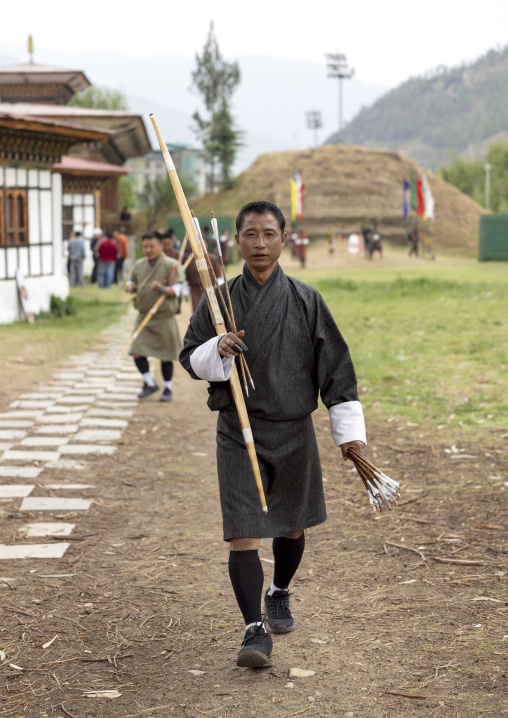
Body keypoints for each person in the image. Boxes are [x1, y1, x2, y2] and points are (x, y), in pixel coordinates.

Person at [180, 200, 367, 669]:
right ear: (236, 241)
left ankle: (278, 590)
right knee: (243, 532)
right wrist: (216, 349)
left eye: (268, 234)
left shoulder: (306, 300)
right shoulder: (218, 300)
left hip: (293, 430)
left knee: (291, 524)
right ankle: (252, 628)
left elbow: (336, 370)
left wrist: (349, 434)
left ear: (284, 238)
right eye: (250, 234)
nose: (259, 243)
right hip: (238, 431)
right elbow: (189, 356)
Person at [125, 231, 185, 402]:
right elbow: (132, 281)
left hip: (164, 317)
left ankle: (167, 388)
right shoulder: (139, 265)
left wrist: (162, 289)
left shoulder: (171, 265)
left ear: (161, 245)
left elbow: (177, 290)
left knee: (166, 356)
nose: (148, 250)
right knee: (136, 351)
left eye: (152, 246)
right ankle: (149, 382)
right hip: (144, 315)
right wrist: (129, 286)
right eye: (145, 246)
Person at [184, 243, 222, 313]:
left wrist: (220, 289)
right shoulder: (190, 260)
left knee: (211, 311)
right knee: (197, 311)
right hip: (195, 290)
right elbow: (186, 277)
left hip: (210, 289)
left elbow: (218, 275)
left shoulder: (211, 258)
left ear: (206, 246)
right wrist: (185, 292)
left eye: (202, 245)